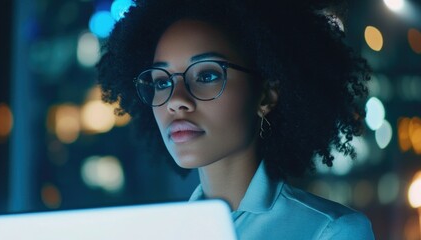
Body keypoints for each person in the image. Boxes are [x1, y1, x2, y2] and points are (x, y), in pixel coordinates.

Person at [97, 0, 375, 239]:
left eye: (206, 75)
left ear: (265, 96)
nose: (175, 99)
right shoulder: (158, 233)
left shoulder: (331, 231)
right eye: (161, 82)